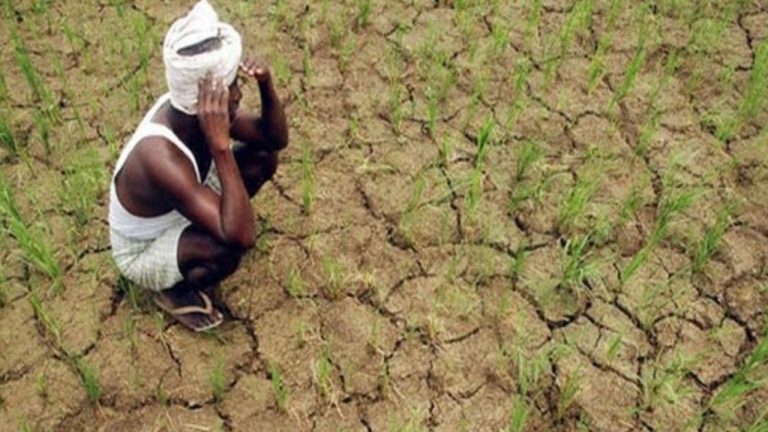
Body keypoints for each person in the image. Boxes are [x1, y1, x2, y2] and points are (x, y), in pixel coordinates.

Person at [108, 0, 288, 331]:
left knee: (261, 156)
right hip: (144, 249)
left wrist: (267, 85)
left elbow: (274, 139)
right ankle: (172, 290)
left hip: (182, 204)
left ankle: (211, 218)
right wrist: (220, 146)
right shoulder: (160, 156)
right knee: (224, 249)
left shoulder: (195, 112)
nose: (238, 93)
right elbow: (242, 236)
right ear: (207, 100)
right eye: (234, 84)